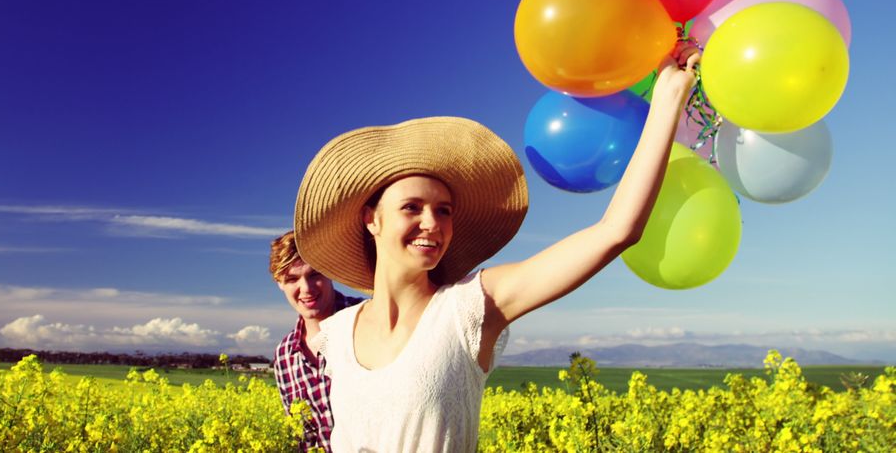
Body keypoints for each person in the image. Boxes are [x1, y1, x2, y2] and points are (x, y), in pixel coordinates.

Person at [294, 46, 700, 452]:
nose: (432, 223)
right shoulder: (335, 335)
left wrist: (667, 99)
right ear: (372, 218)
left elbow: (616, 231)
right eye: (411, 208)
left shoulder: (471, 309)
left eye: (444, 210)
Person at [270, 230, 362, 452]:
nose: (306, 289)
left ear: (329, 271)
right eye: (292, 279)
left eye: (315, 275)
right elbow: (302, 438)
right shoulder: (284, 356)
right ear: (279, 283)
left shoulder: (365, 319)